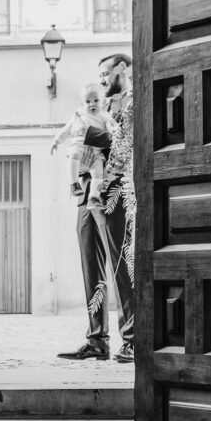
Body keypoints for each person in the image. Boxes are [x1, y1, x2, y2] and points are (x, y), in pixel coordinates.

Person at [59, 54, 135, 363]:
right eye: (99, 75)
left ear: (121, 69)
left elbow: (125, 143)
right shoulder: (97, 103)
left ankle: (132, 339)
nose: (101, 79)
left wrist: (84, 134)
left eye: (105, 73)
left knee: (120, 266)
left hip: (114, 191)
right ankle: (97, 340)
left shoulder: (134, 102)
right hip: (86, 194)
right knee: (91, 266)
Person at [50, 83, 113, 209]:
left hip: (95, 152)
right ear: (82, 103)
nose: (92, 104)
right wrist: (57, 141)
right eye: (88, 101)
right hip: (78, 145)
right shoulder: (79, 115)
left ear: (103, 102)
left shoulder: (105, 117)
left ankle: (94, 197)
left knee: (98, 170)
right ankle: (74, 183)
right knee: (74, 154)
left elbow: (113, 130)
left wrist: (116, 129)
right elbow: (67, 129)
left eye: (96, 100)